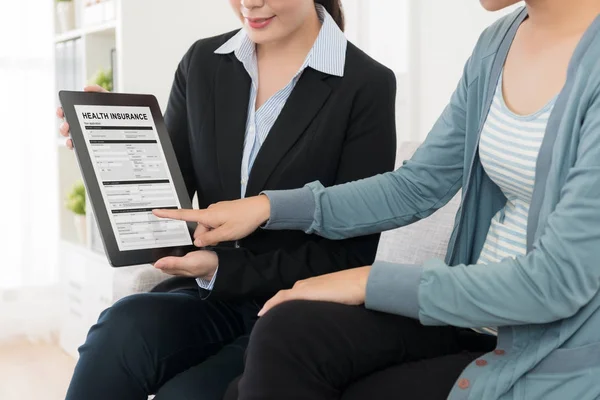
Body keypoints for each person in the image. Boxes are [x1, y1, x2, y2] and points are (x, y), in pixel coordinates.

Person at [154, 0, 600, 398]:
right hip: (467, 317)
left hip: (554, 346)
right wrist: (269, 207)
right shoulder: (498, 43)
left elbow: (556, 283)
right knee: (286, 333)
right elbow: (418, 184)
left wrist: (366, 282)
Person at [57, 1, 397, 399]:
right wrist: (107, 142)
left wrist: (224, 266)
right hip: (210, 297)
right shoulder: (202, 63)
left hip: (298, 312)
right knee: (119, 330)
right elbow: (173, 199)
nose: (249, 3)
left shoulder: (365, 83)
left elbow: (354, 255)